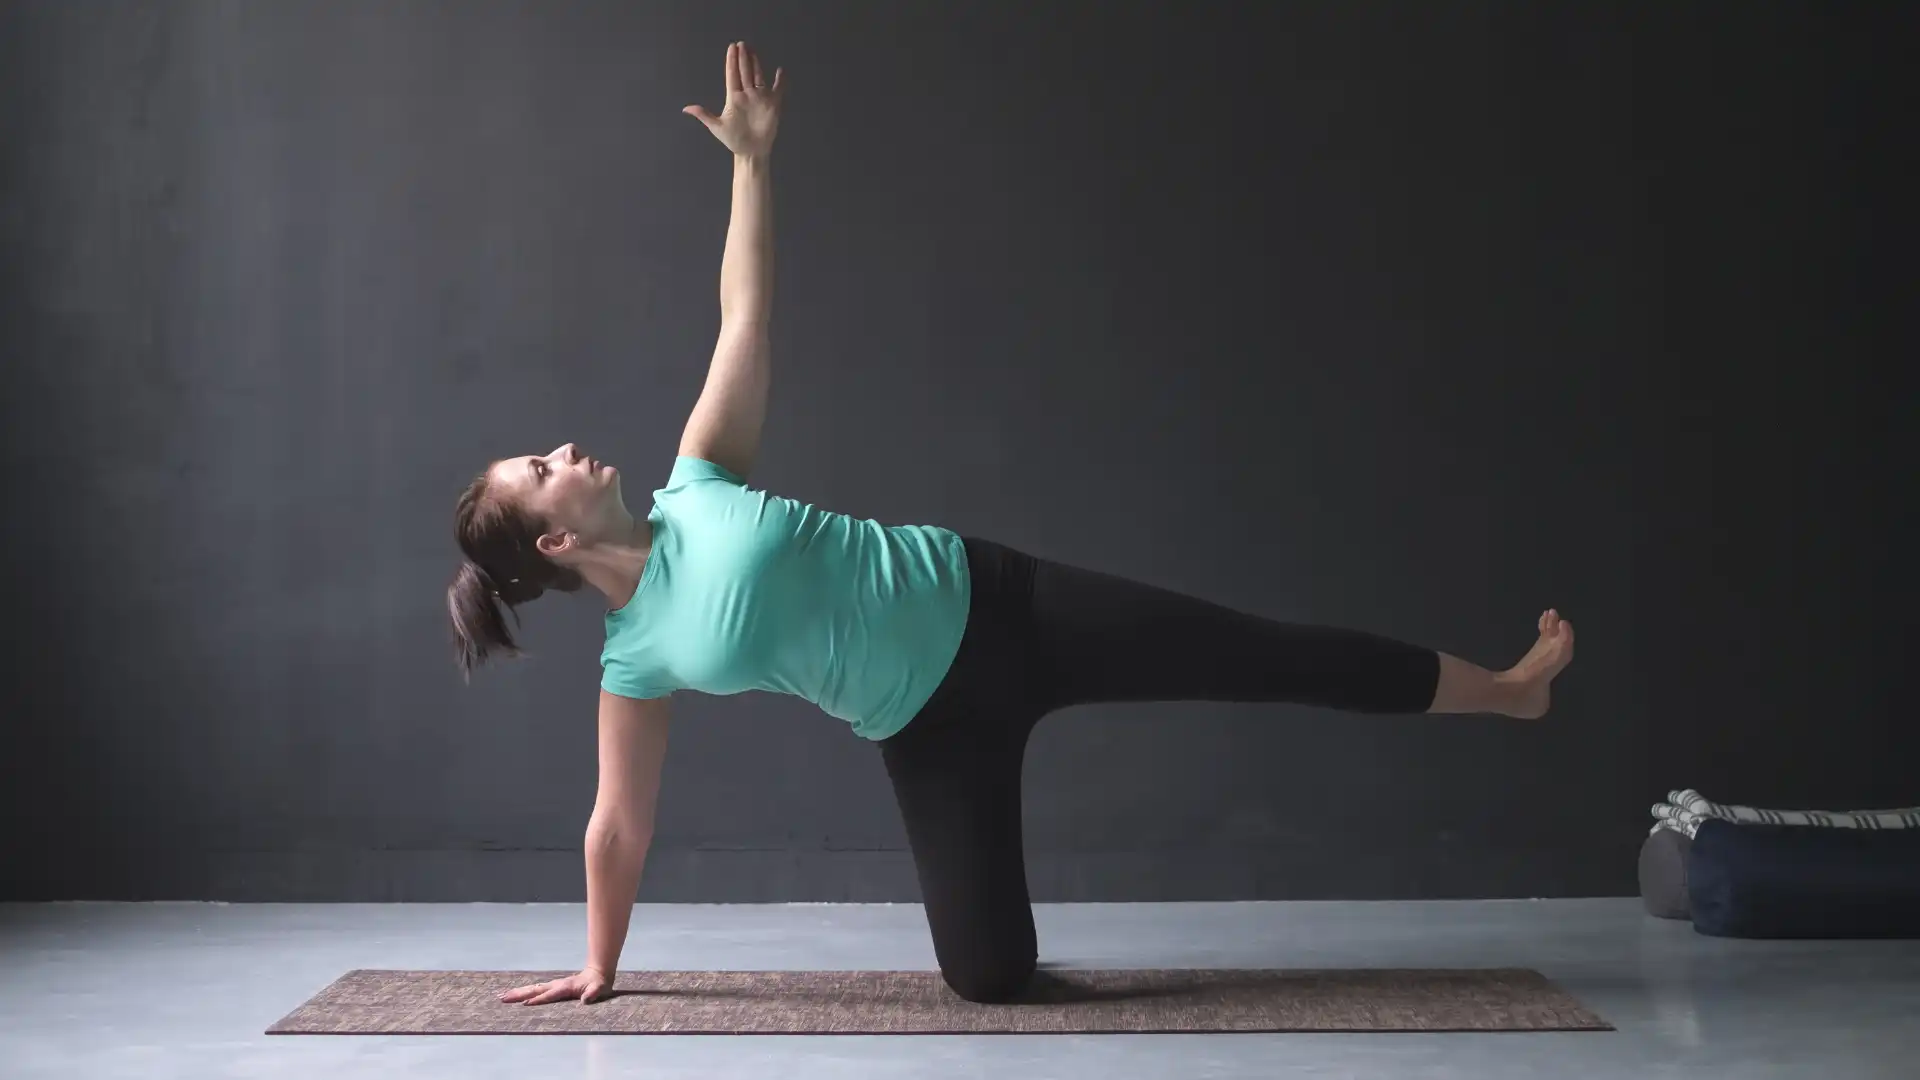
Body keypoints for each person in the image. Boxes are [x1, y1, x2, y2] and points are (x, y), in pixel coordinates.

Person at [450, 43, 1575, 1009]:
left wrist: (752, 164)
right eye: (540, 471)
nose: (561, 450)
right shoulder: (636, 660)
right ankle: (1009, 948)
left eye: (544, 450)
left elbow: (745, 310)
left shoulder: (698, 482)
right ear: (551, 542)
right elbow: (617, 825)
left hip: (1006, 606)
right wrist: (600, 964)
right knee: (989, 980)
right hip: (928, 729)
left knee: (1265, 651)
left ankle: (1508, 686)